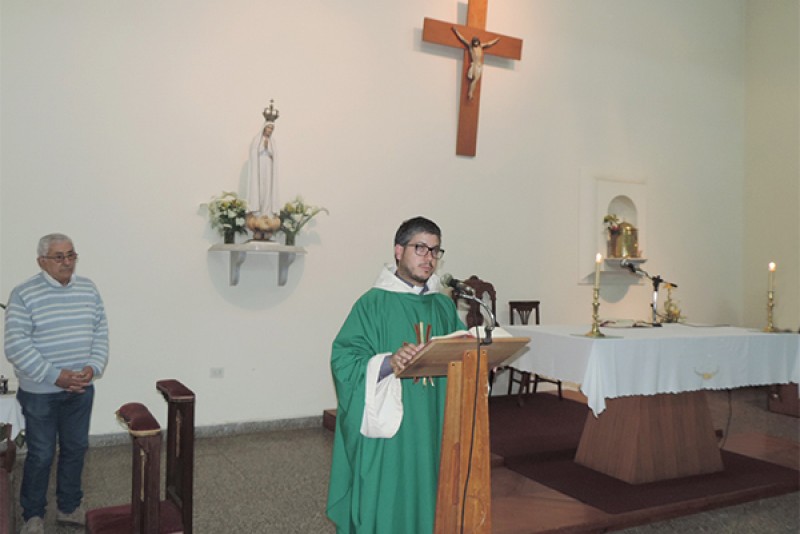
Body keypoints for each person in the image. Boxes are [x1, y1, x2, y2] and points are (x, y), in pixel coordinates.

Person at [326, 217, 465, 533]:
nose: (429, 258)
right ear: (399, 251)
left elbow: (461, 348)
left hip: (434, 421)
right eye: (421, 248)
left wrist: (482, 359)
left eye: (435, 250)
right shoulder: (371, 304)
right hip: (393, 429)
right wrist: (387, 363)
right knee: (391, 494)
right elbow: (344, 360)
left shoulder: (443, 306)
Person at [4, 233, 109, 534]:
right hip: (41, 392)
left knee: (76, 448)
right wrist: (56, 376)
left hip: (80, 389)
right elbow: (16, 346)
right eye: (59, 257)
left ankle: (69, 507)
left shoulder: (88, 289)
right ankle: (33, 515)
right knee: (41, 454)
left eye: (71, 255)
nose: (67, 262)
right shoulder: (24, 294)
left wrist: (92, 367)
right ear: (42, 261)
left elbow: (100, 332)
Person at [452, 27, 500, 100]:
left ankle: (471, 93)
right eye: (474, 42)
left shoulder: (481, 46)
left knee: (476, 80)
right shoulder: (471, 47)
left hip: (479, 65)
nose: (476, 43)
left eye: (477, 41)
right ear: (473, 42)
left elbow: (488, 43)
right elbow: (462, 39)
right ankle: (470, 93)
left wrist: (496, 40)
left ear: (478, 41)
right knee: (475, 79)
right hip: (474, 64)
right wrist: (456, 31)